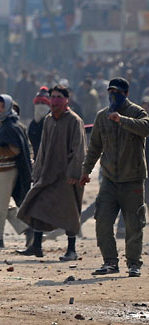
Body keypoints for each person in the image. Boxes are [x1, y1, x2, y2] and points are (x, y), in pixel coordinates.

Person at [80, 78, 149, 278]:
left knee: (134, 224)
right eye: (111, 91)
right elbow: (94, 148)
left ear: (126, 94)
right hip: (109, 180)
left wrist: (122, 120)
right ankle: (110, 262)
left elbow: (146, 128)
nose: (113, 95)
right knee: (102, 221)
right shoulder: (102, 116)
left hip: (133, 179)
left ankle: (134, 264)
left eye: (117, 92)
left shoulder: (137, 112)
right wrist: (86, 171)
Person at [16, 85, 86, 261]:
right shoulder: (48, 120)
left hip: (66, 176)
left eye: (58, 97)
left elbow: (78, 151)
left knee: (70, 212)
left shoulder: (74, 121)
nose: (55, 101)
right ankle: (36, 246)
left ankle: (71, 250)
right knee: (38, 206)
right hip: (48, 174)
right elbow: (43, 150)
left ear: (66, 100)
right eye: (52, 97)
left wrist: (74, 173)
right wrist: (37, 172)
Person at [0, 94, 32, 248]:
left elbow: (14, 150)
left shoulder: (10, 125)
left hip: (8, 170)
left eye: (2, 106)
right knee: (3, 206)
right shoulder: (3, 124)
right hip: (2, 170)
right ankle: (28, 229)